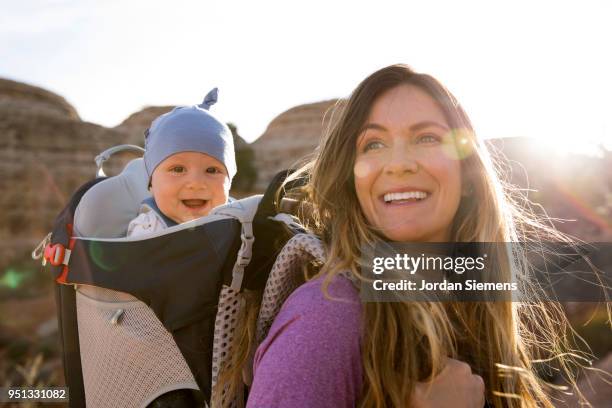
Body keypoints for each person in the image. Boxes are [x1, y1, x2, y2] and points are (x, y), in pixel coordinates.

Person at [239, 65, 586, 407]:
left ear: (467, 175)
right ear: (352, 179)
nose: (398, 163)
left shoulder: (469, 303)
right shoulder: (326, 316)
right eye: (374, 144)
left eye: (427, 138)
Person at [127, 87, 236, 236]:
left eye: (211, 170)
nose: (196, 183)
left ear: (229, 181)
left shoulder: (239, 221)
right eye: (178, 169)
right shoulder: (148, 231)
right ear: (151, 182)